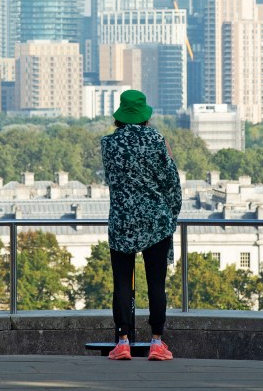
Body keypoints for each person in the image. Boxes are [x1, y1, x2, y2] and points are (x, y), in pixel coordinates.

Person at [100, 89, 182, 361]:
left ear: (121, 116)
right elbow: (171, 182)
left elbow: (113, 181)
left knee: (122, 283)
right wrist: (171, 215)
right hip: (156, 221)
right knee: (156, 284)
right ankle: (157, 342)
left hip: (122, 221)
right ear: (145, 115)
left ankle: (122, 342)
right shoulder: (157, 140)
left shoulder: (109, 144)